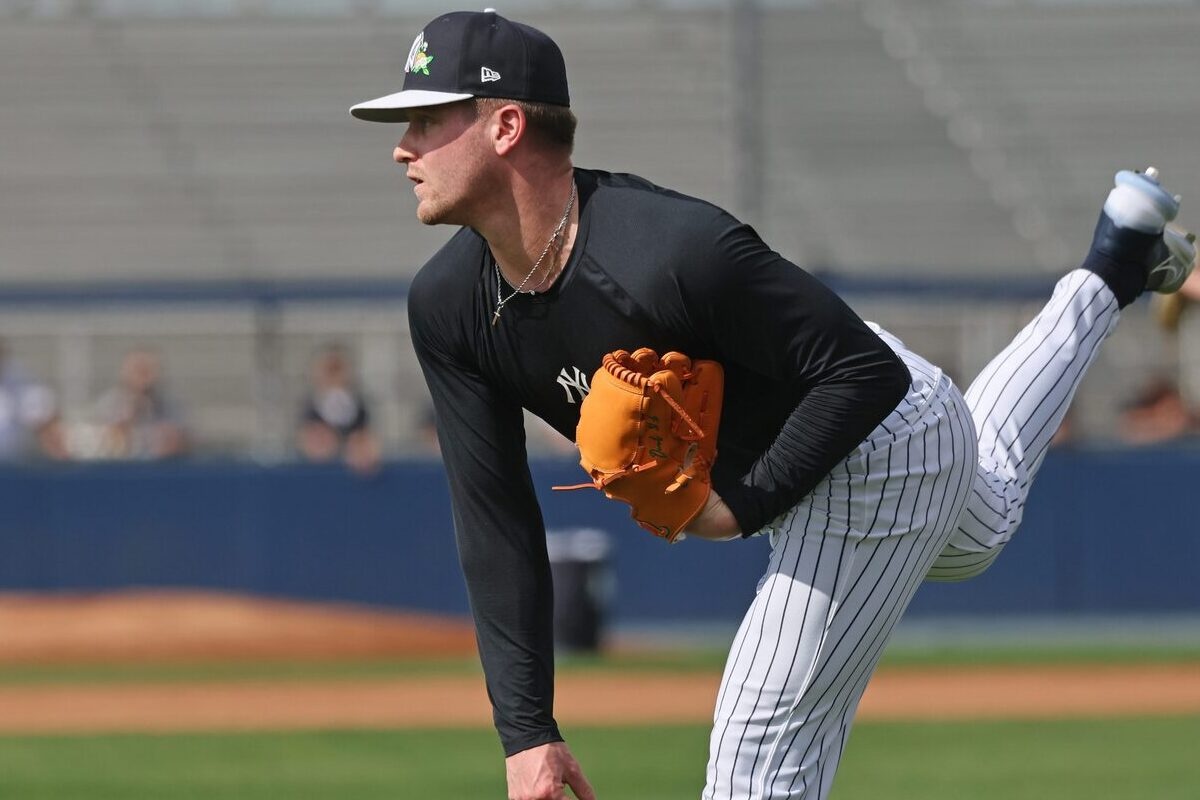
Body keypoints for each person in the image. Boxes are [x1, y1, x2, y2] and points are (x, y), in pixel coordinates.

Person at [350, 11, 1195, 800]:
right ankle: (1118, 260)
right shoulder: (450, 307)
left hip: (876, 441)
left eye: (427, 119)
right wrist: (527, 728)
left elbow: (863, 374)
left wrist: (739, 506)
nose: (404, 148)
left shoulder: (671, 248)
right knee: (988, 510)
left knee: (759, 747)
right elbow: (494, 517)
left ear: (506, 127)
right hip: (850, 427)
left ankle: (1114, 264)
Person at [296, 343, 382, 474]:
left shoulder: (359, 407)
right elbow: (309, 444)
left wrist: (360, 448)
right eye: (330, 371)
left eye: (337, 370)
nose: (334, 378)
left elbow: (367, 442)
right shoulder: (311, 407)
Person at [92, 347, 189, 460]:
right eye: (137, 369)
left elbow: (183, 445)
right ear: (124, 372)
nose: (143, 376)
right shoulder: (109, 403)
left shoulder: (172, 405)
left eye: (147, 370)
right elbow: (103, 446)